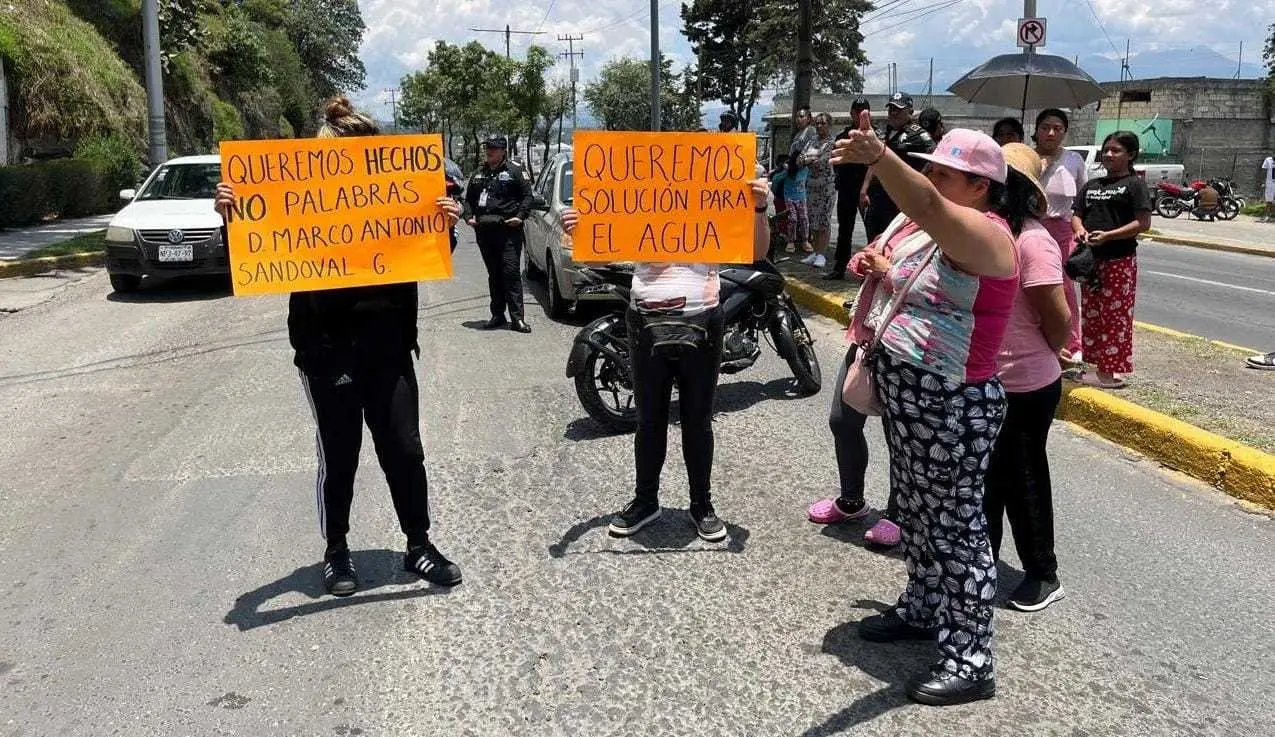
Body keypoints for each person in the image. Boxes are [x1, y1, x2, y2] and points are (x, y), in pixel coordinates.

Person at [213, 97, 464, 597]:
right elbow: (254, 248)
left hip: (389, 347)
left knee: (405, 450)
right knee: (340, 454)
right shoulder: (298, 196)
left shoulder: (398, 195)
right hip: (327, 350)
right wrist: (232, 217)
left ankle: (419, 544)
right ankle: (337, 551)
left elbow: (430, 254)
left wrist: (444, 224)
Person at [833, 115, 1023, 706]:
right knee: (916, 511)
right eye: (932, 169)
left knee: (957, 529)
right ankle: (921, 607)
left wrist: (882, 158)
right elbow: (899, 261)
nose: (933, 181)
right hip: (910, 399)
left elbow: (934, 211)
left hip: (951, 405)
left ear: (980, 187)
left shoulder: (989, 237)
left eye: (946, 174)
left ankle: (970, 657)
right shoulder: (921, 225)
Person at [558, 180, 773, 542]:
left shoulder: (715, 207)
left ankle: (701, 504)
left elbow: (755, 251)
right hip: (644, 321)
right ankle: (645, 501)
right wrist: (578, 231)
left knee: (697, 420)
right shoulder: (640, 206)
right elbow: (597, 256)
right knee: (650, 419)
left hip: (703, 319)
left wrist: (759, 208)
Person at [984, 144, 1073, 613]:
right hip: (987, 380)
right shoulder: (989, 235)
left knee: (1023, 479)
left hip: (1027, 383)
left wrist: (1039, 347)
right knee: (987, 479)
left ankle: (1043, 572)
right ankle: (985, 559)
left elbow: (1058, 321)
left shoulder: (1033, 241)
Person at [1071, 131, 1152, 389]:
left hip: (1119, 260)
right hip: (1091, 262)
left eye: (1116, 150)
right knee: (1092, 315)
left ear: (1130, 155)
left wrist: (1109, 236)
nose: (1108, 154)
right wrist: (1079, 230)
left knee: (1114, 317)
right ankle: (1093, 368)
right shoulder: (1092, 185)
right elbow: (1077, 214)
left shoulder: (1134, 185)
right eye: (1106, 150)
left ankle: (1110, 373)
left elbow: (1143, 223)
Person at [1033, 108, 1087, 365]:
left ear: (1065, 131)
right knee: (1033, 285)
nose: (1051, 133)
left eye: (1057, 128)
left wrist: (1080, 229)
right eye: (1045, 127)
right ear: (1036, 130)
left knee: (1065, 288)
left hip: (1063, 230)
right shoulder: (1027, 156)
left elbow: (1082, 199)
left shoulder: (1074, 160)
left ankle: (1071, 341)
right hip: (1033, 227)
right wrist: (1038, 168)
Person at [465, 135, 534, 333]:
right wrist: (468, 217)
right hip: (485, 232)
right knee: (494, 274)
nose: (490, 151)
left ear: (503, 151)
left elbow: (527, 196)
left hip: (508, 231)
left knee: (510, 273)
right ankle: (497, 314)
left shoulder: (515, 171)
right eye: (488, 148)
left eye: (494, 149)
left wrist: (520, 216)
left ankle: (517, 318)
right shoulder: (479, 173)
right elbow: (468, 199)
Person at [861, 92, 935, 242]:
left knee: (893, 240)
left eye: (898, 109)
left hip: (901, 198)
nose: (893, 113)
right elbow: (875, 161)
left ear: (910, 111)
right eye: (891, 109)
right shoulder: (883, 132)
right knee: (874, 237)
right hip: (879, 196)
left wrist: (917, 182)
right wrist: (864, 189)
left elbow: (933, 160)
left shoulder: (918, 135)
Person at [826, 98, 872, 280]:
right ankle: (839, 268)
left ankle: (869, 272)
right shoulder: (842, 137)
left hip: (867, 191)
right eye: (857, 111)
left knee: (872, 232)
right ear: (851, 113)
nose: (859, 115)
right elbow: (835, 160)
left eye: (863, 111)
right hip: (846, 189)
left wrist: (866, 189)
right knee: (844, 231)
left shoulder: (874, 137)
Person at [801, 112, 838, 270]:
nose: (819, 126)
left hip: (826, 187)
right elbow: (800, 159)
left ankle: (822, 253)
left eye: (823, 123)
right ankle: (815, 252)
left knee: (823, 220)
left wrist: (809, 160)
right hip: (811, 186)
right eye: (817, 123)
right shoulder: (811, 141)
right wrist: (808, 159)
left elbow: (823, 162)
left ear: (829, 125)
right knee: (813, 219)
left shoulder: (832, 142)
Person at [780, 156, 810, 254]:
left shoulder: (806, 169)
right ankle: (791, 241)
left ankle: (805, 240)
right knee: (793, 218)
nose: (801, 160)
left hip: (802, 197)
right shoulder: (788, 169)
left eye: (803, 157)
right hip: (789, 197)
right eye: (799, 158)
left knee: (804, 218)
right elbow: (777, 176)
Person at [1262, 154, 1275, 222]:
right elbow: (1264, 171)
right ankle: (1267, 216)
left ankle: (1272, 216)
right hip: (1270, 184)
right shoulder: (1268, 160)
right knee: (1268, 201)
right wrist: (1263, 182)